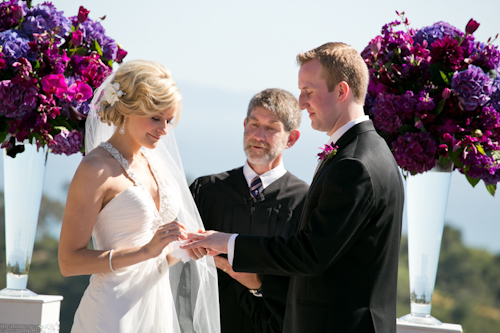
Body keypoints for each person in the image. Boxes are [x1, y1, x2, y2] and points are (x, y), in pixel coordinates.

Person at [183, 42, 404, 333]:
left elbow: (311, 253)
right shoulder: (367, 150)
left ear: (341, 91)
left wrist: (227, 242)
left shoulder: (355, 163)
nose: (301, 102)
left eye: (309, 92)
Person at [58, 59, 220, 333]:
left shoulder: (156, 162)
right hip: (112, 312)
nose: (164, 130)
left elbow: (157, 256)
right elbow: (68, 262)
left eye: (168, 120)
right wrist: (146, 250)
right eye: (155, 118)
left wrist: (182, 250)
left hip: (157, 307)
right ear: (126, 109)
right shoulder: (95, 168)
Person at [189, 88, 309, 333]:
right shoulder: (208, 190)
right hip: (210, 323)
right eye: (254, 124)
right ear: (244, 125)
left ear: (292, 138)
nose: (259, 135)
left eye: (272, 128)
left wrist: (259, 285)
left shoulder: (303, 201)